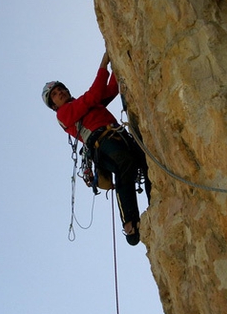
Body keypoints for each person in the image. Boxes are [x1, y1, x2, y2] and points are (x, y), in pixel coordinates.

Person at [42, 52, 151, 246]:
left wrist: (119, 61)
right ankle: (129, 223)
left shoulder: (86, 104)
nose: (60, 93)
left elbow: (109, 90)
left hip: (118, 136)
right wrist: (104, 64)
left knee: (145, 161)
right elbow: (93, 96)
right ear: (54, 105)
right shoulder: (64, 114)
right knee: (124, 164)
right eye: (55, 95)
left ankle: (155, 201)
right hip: (102, 143)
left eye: (60, 89)